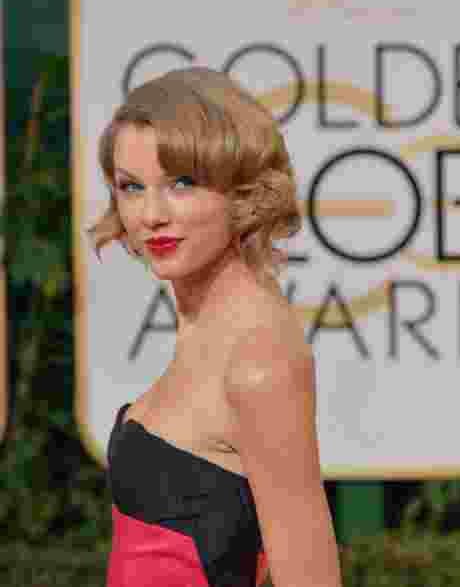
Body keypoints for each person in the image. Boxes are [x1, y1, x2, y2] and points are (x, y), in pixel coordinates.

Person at [86, 67, 342, 587]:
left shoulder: (258, 359)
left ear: (242, 190)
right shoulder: (207, 326)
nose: (151, 214)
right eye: (132, 187)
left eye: (182, 183)